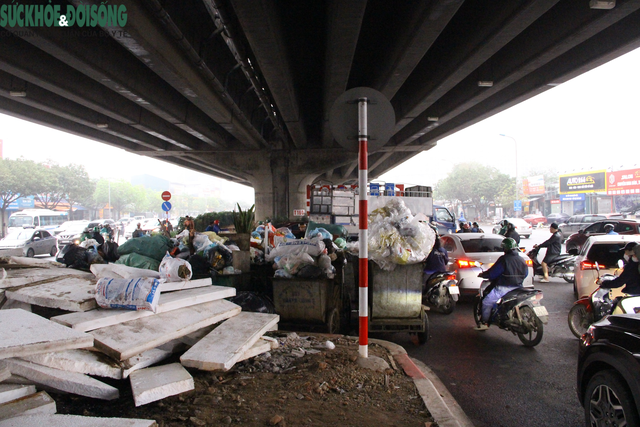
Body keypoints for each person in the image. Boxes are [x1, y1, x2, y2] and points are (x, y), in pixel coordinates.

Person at [475, 237, 528, 330]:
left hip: (504, 287)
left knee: (487, 302)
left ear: (505, 248)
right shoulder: (521, 259)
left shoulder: (504, 259)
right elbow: (526, 273)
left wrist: (484, 275)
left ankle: (484, 323)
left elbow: (493, 273)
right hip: (518, 287)